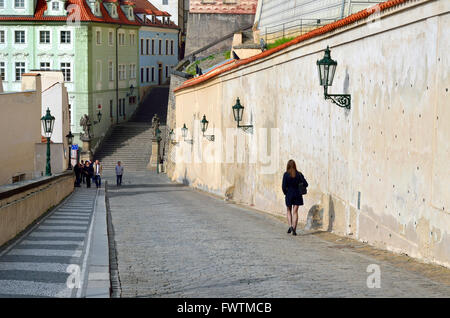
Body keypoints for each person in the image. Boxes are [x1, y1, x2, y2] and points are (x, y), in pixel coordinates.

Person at [282, 159, 308, 236]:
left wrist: (286, 193)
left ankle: (290, 226)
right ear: (295, 165)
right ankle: (294, 229)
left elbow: (283, 187)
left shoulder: (286, 174)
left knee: (288, 210)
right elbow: (306, 184)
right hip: (297, 194)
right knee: (295, 212)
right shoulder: (299, 174)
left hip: (289, 194)